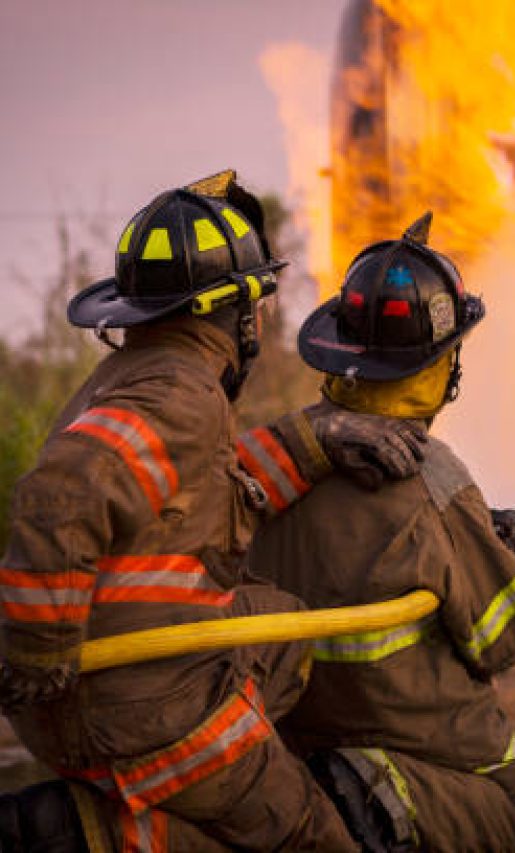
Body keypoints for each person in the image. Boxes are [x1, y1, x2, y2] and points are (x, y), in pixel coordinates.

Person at [0, 172, 429, 853]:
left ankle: (126, 820)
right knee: (312, 836)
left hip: (91, 695)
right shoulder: (182, 393)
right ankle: (98, 833)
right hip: (140, 703)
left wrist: (315, 440)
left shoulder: (134, 379)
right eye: (256, 302)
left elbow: (200, 492)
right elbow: (63, 492)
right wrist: (36, 646)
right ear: (236, 313)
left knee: (284, 635)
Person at [249, 213, 515, 852]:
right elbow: (504, 640)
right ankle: (383, 795)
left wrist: (481, 542)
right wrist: (503, 562)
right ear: (442, 364)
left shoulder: (283, 457)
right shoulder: (434, 479)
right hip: (418, 751)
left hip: (293, 749)